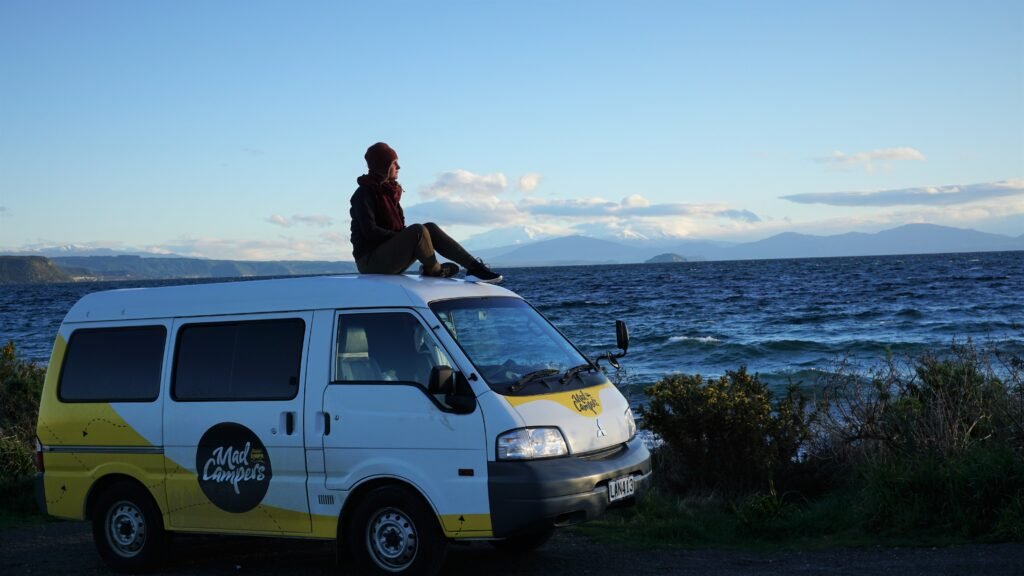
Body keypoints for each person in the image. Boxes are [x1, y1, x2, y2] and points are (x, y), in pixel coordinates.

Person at [349, 142, 503, 283]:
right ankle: (435, 270)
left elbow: (398, 230)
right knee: (418, 231)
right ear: (383, 166)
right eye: (394, 163)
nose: (399, 167)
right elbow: (370, 232)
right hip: (370, 262)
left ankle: (475, 268)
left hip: (388, 256)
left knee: (429, 227)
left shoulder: (389, 193)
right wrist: (403, 236)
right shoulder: (363, 194)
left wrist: (404, 236)